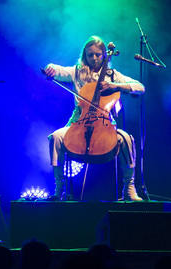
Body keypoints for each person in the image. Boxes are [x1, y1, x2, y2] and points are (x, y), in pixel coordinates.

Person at [41, 35, 144, 201]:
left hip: (105, 124)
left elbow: (140, 87)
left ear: (104, 55)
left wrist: (115, 86)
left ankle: (129, 188)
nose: (94, 58)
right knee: (56, 137)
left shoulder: (112, 75)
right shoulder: (76, 72)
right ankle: (59, 188)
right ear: (85, 56)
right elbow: (58, 70)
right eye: (90, 55)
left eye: (98, 55)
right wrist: (50, 68)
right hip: (78, 123)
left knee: (126, 139)